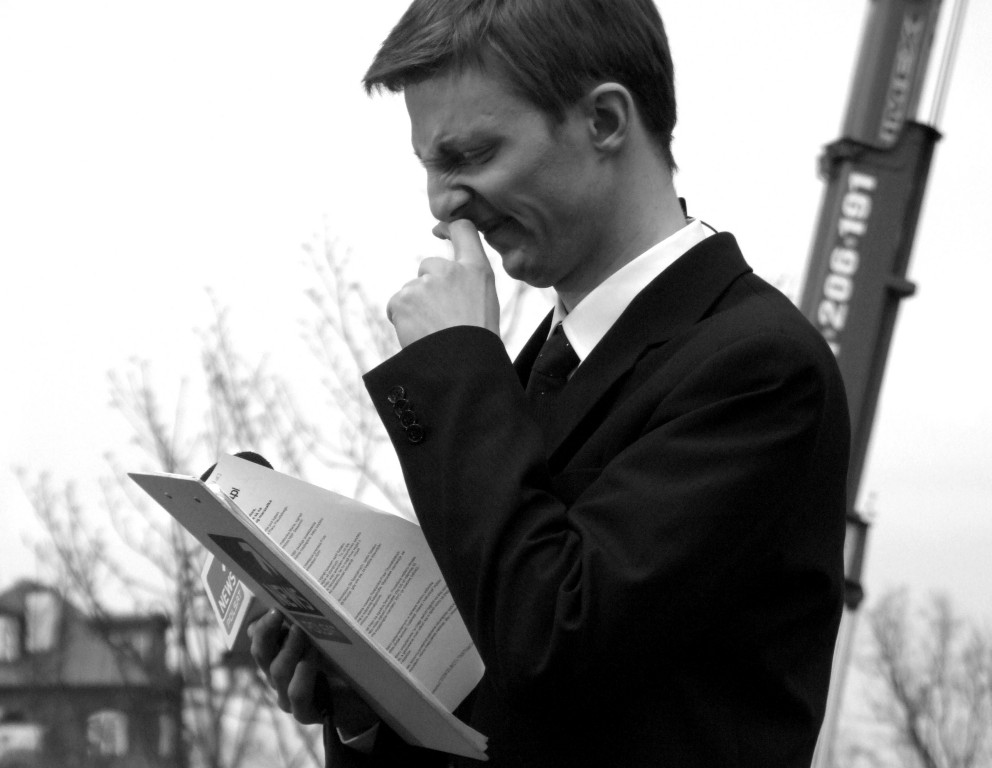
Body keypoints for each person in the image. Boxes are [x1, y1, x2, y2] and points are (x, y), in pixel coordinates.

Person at [250, 0, 850, 765]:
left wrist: (456, 366)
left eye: (470, 155)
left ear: (604, 121)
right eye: (429, 165)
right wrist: (371, 701)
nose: (441, 202)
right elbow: (513, 699)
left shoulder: (757, 368)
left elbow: (549, 647)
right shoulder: (540, 369)